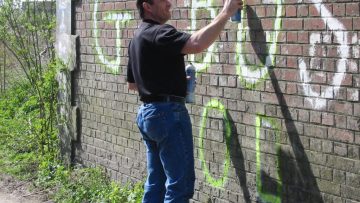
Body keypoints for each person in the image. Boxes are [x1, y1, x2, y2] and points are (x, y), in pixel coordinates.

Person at [126, 0, 243, 201]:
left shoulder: (137, 37)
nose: (169, 3)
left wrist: (172, 79)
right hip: (167, 114)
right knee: (180, 185)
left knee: (156, 183)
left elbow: (133, 84)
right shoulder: (159, 32)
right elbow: (196, 44)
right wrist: (226, 12)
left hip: (148, 115)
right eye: (163, 1)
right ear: (147, 6)